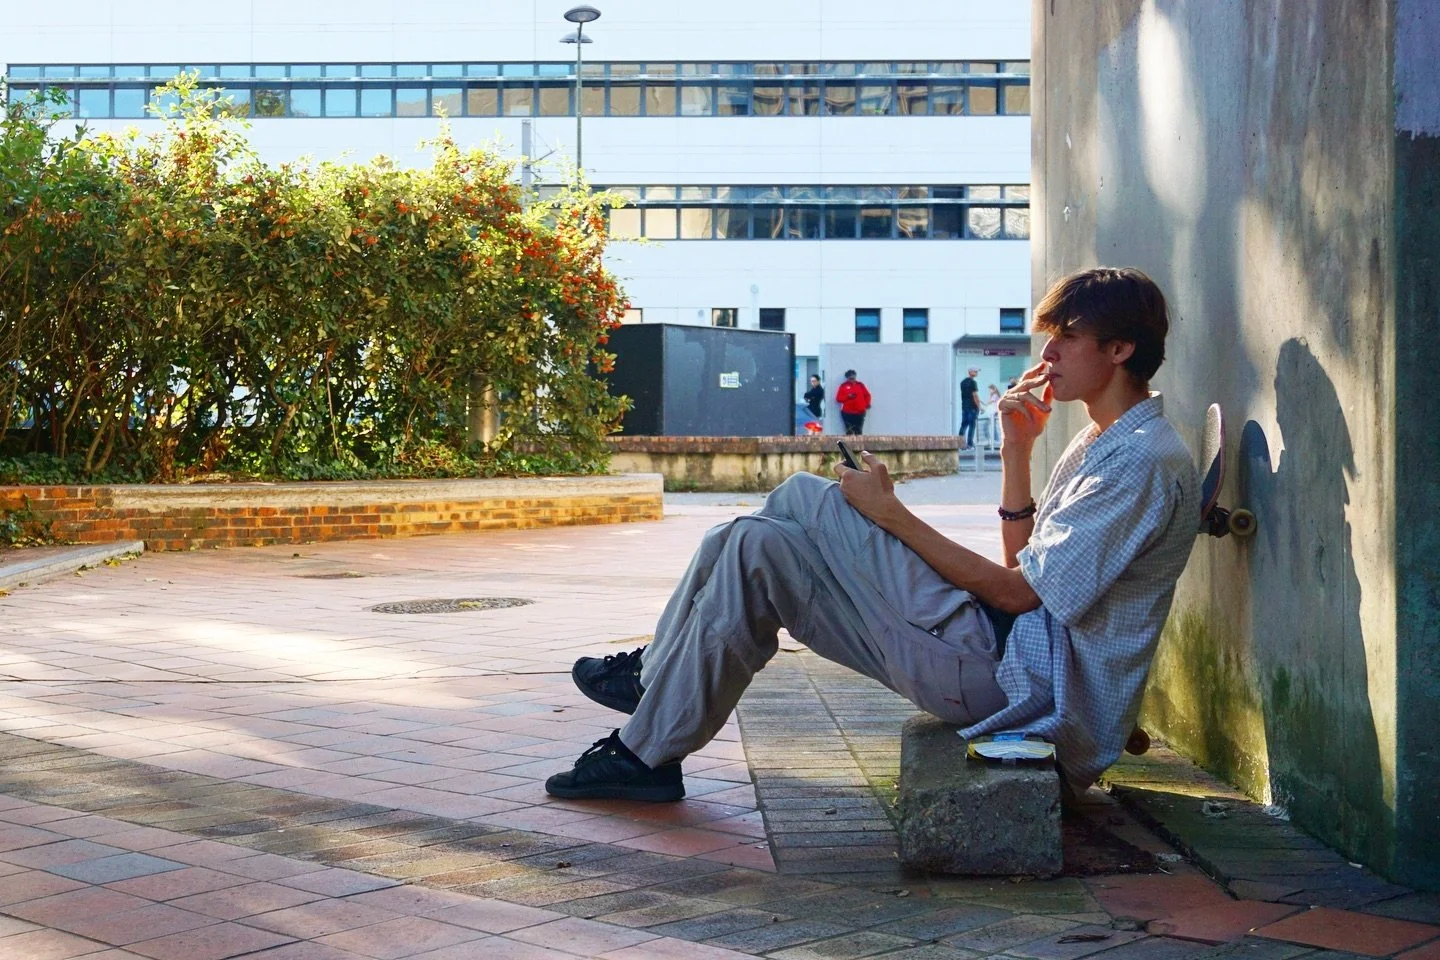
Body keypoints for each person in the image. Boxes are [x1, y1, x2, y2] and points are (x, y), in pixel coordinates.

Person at [546, 267, 1198, 802]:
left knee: (802, 497)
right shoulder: (1102, 443)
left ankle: (650, 704)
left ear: (1120, 350)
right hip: (996, 649)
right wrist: (1016, 451)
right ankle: (647, 741)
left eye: (1067, 337)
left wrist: (891, 513)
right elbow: (1025, 570)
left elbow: (1017, 594)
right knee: (753, 543)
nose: (1048, 354)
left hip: (1010, 678)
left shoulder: (1140, 463)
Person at [834, 369, 871, 435]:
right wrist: (847, 396)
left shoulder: (860, 385)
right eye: (850, 378)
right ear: (847, 378)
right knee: (849, 431)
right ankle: (848, 445)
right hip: (847, 412)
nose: (852, 379)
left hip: (860, 412)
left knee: (858, 431)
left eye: (853, 377)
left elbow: (867, 395)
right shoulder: (843, 386)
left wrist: (867, 404)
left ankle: (859, 445)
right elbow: (838, 398)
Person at [959, 367, 981, 449]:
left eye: (976, 371)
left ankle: (960, 444)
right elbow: (975, 395)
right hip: (972, 407)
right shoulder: (973, 382)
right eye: (975, 371)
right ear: (970, 372)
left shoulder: (962, 382)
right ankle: (970, 444)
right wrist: (979, 407)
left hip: (964, 406)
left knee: (963, 425)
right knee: (972, 426)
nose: (976, 373)